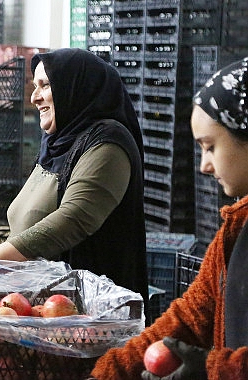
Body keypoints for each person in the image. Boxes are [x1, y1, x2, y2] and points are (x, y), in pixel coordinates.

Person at [90, 57, 248, 380]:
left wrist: (215, 370)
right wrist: (110, 371)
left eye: (210, 147)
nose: (203, 165)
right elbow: (189, 320)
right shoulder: (233, 235)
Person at [0, 48, 149, 304]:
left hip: (87, 316)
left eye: (46, 85)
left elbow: (75, 217)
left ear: (76, 87)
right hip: (43, 306)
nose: (35, 97)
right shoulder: (56, 143)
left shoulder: (107, 142)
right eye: (35, 86)